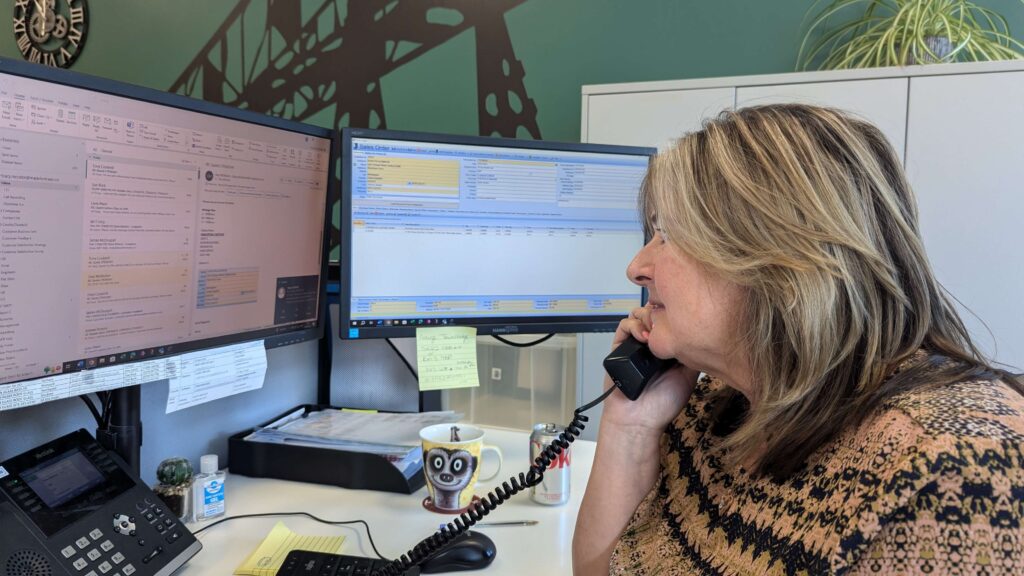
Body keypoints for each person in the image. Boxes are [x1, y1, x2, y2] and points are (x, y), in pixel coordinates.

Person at [572, 104, 1024, 575]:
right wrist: (631, 427)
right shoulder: (711, 407)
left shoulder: (956, 469)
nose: (637, 268)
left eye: (667, 234)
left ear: (778, 256)